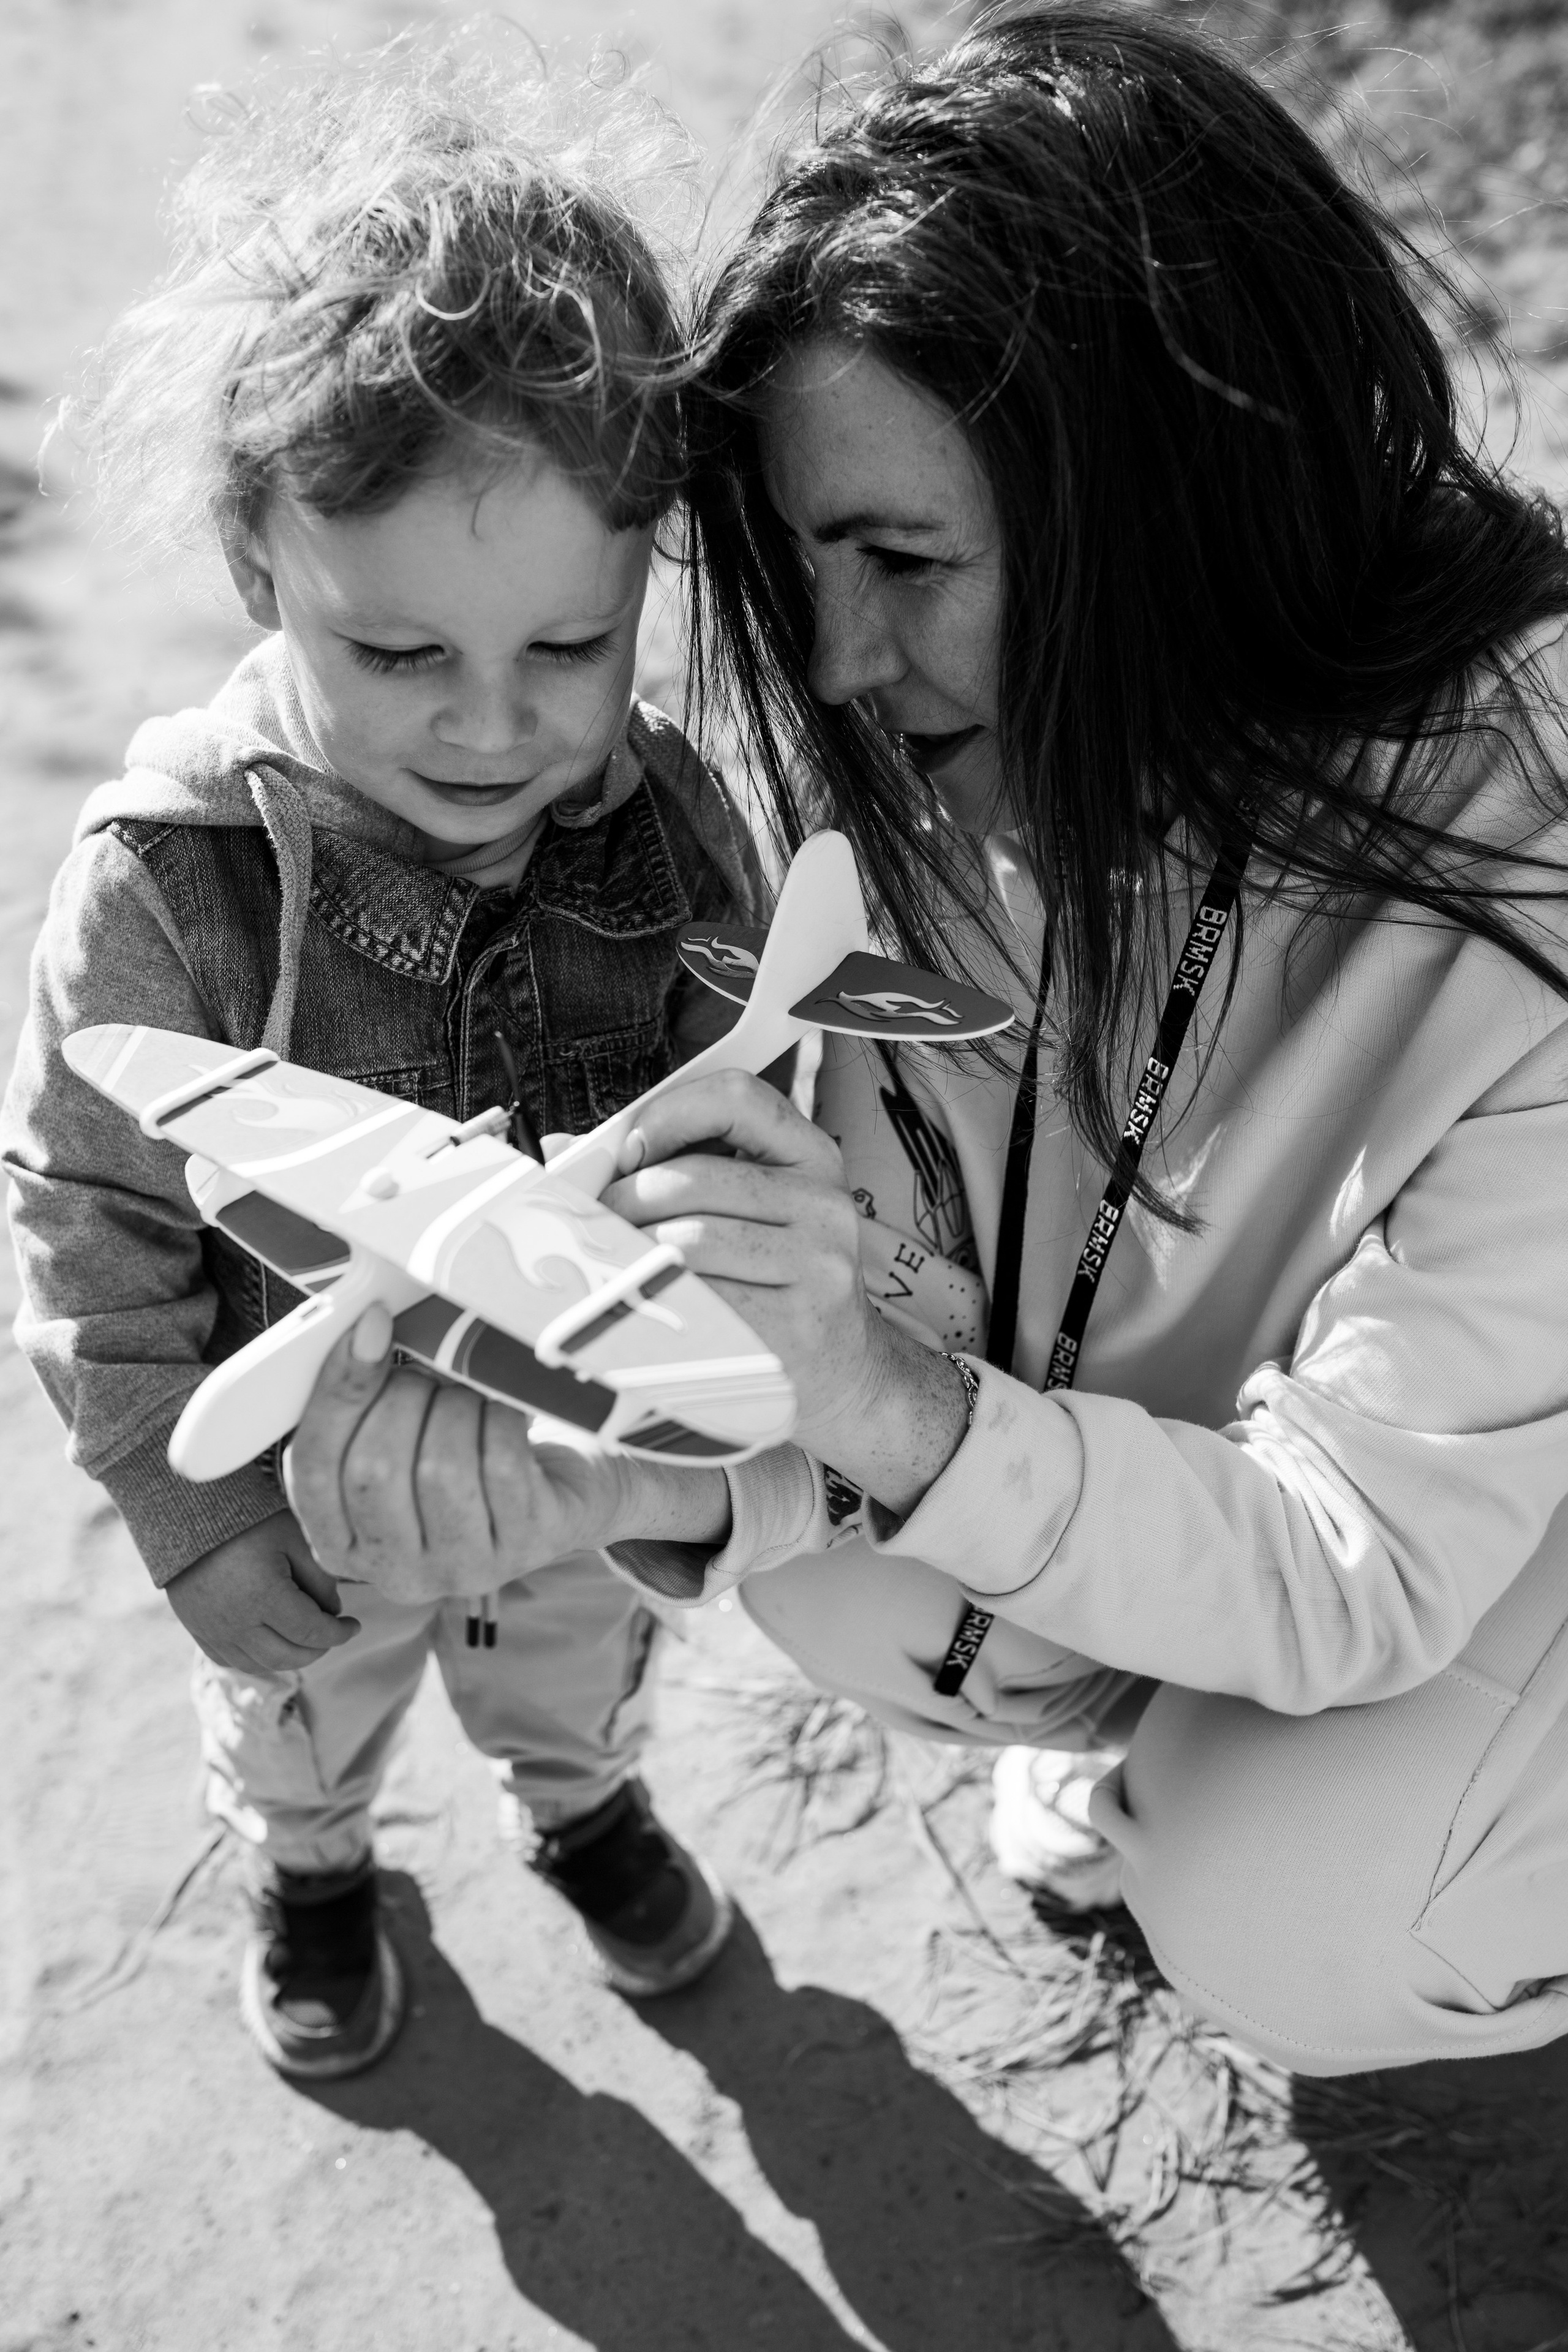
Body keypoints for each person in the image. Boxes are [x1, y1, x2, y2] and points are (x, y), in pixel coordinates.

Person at [282, 3, 1568, 2078]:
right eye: (806, 572)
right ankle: (1195, 1734)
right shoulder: (961, 773)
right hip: (1267, 1496)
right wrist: (640, 1458)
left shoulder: (1535, 856)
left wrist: (884, 1407)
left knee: (1301, 1920)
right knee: (848, 1571)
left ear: (1182, 500)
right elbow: (921, 1289)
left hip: (1492, 1521)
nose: (848, 664)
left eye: (907, 561)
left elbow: (1367, 1553)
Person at [2, 40, 757, 2079]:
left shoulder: (680, 836)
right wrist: (191, 1516)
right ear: (264, 574)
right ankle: (316, 1868)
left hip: (572, 1468)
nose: (495, 730)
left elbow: (745, 1122)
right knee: (299, 1709)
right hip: (303, 1492)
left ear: (641, 583)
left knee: (572, 1673)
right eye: (402, 654)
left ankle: (577, 1806)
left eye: (570, 651)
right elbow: (83, 1222)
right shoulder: (168, 887)